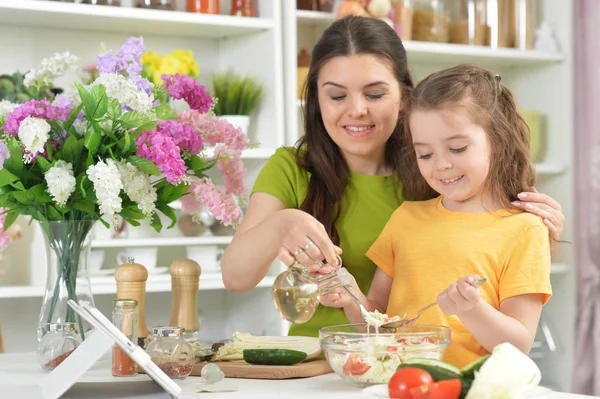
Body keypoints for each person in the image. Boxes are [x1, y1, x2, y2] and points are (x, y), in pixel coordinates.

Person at [220, 16, 565, 338]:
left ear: (404, 97)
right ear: (317, 101)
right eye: (337, 95)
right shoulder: (293, 168)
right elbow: (235, 277)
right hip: (316, 363)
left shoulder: (435, 172)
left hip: (408, 364)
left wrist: (534, 228)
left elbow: (491, 244)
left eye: (375, 94)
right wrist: (281, 224)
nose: (357, 109)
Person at [321, 63, 553, 368]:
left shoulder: (524, 229)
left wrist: (472, 309)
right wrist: (349, 294)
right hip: (398, 384)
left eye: (457, 148)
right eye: (425, 154)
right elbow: (378, 320)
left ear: (498, 140)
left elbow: (518, 345)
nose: (441, 164)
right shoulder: (406, 218)